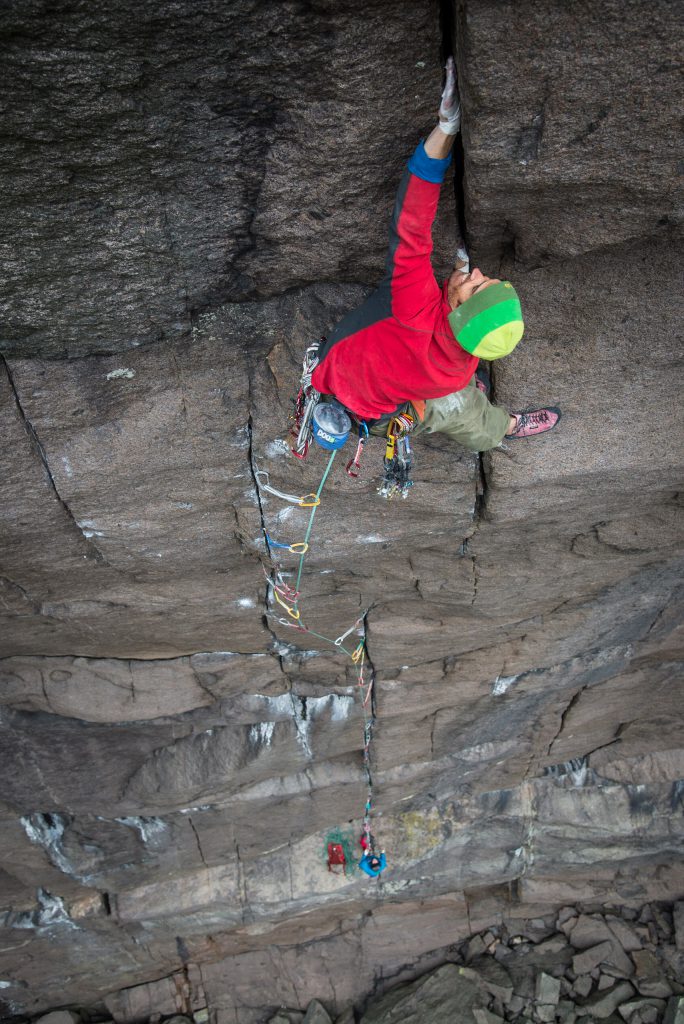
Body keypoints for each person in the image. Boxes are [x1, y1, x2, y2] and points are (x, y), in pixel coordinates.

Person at [311, 58, 561, 451]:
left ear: (459, 312)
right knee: (461, 402)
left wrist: (445, 131)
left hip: (348, 382)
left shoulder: (413, 307)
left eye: (475, 286)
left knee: (461, 405)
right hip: (386, 398)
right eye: (486, 278)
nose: (476, 271)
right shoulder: (455, 368)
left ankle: (503, 426)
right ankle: (505, 426)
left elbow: (411, 224)